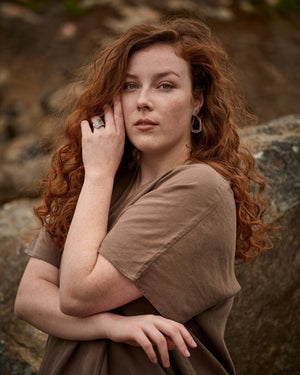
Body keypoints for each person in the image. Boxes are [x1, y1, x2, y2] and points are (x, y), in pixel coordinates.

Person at [14, 17, 274, 374]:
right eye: (130, 86)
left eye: (165, 85)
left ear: (197, 100)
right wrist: (111, 326)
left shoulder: (199, 188)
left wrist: (99, 174)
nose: (144, 101)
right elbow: (29, 298)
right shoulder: (98, 181)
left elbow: (77, 294)